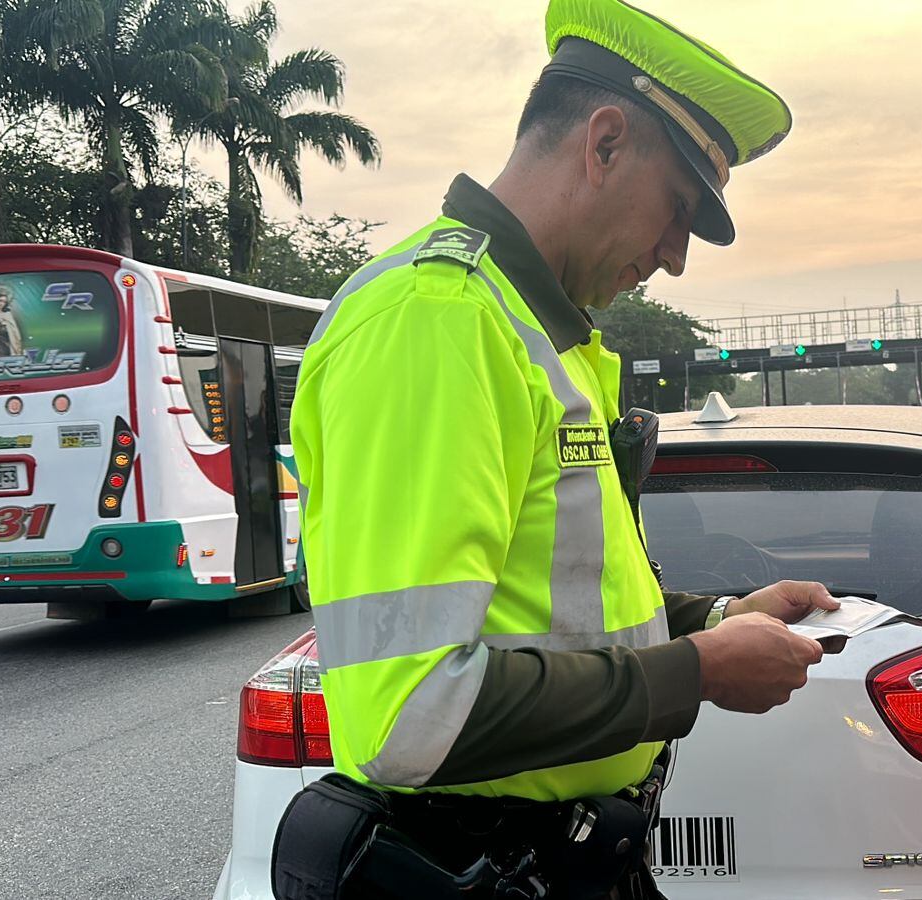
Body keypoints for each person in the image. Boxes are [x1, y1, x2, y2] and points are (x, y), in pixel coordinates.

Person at [284, 1, 830, 896]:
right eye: (678, 211)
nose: (676, 256)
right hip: (477, 862)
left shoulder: (535, 333)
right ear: (604, 142)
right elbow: (409, 713)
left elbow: (559, 607)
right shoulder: (437, 324)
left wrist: (715, 620)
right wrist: (694, 673)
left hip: (562, 860)